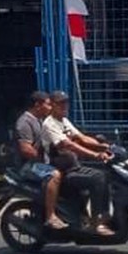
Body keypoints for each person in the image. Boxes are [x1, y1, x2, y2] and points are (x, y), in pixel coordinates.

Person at [45, 91, 116, 236]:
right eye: (60, 103)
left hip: (73, 167)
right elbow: (68, 145)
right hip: (61, 170)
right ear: (52, 105)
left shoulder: (64, 121)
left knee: (107, 175)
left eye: (66, 102)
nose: (64, 106)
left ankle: (104, 215)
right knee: (98, 178)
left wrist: (105, 146)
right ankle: (95, 223)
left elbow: (82, 138)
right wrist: (95, 155)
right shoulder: (49, 124)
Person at [12, 91, 68, 230]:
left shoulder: (41, 120)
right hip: (28, 166)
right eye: (48, 104)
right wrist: (45, 159)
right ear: (38, 105)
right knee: (54, 175)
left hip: (39, 163)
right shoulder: (24, 122)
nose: (51, 107)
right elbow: (26, 150)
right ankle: (50, 216)